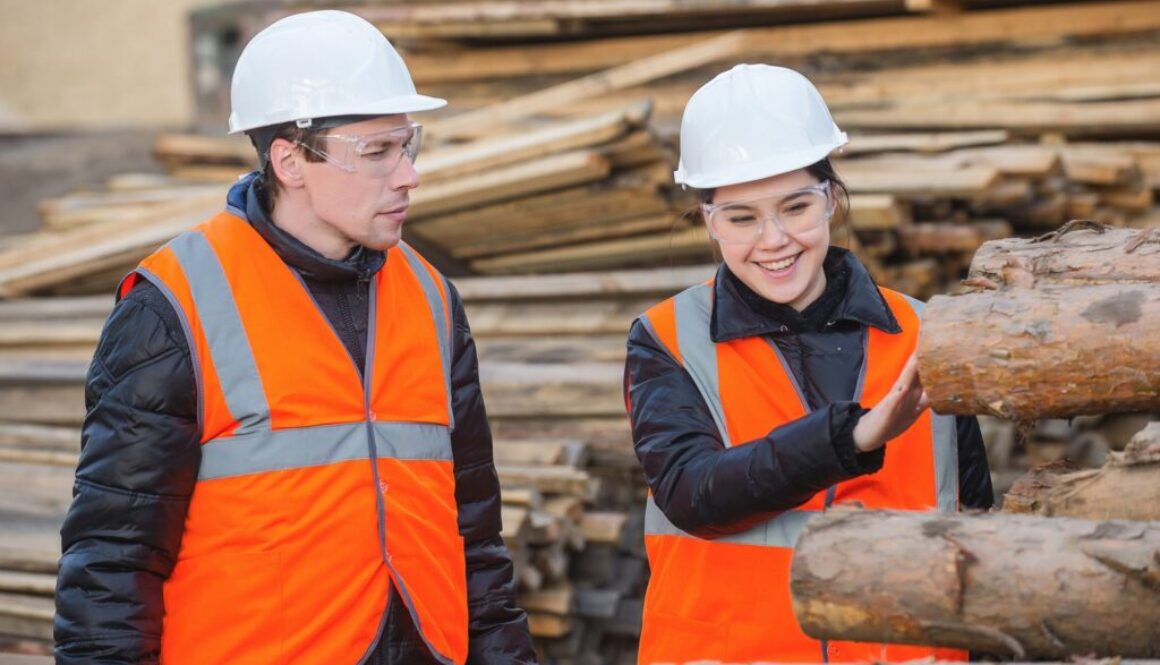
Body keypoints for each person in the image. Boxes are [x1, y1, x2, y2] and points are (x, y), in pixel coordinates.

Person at [54, 10, 535, 665]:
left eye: (407, 144)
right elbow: (111, 563)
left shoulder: (431, 297)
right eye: (377, 152)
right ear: (290, 160)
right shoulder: (175, 304)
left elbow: (474, 536)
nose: (408, 176)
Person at [623, 64, 993, 664]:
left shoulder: (929, 336)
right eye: (742, 218)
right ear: (709, 222)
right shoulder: (667, 339)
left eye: (795, 207)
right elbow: (693, 493)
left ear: (832, 201)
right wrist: (853, 436)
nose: (773, 240)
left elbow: (977, 523)